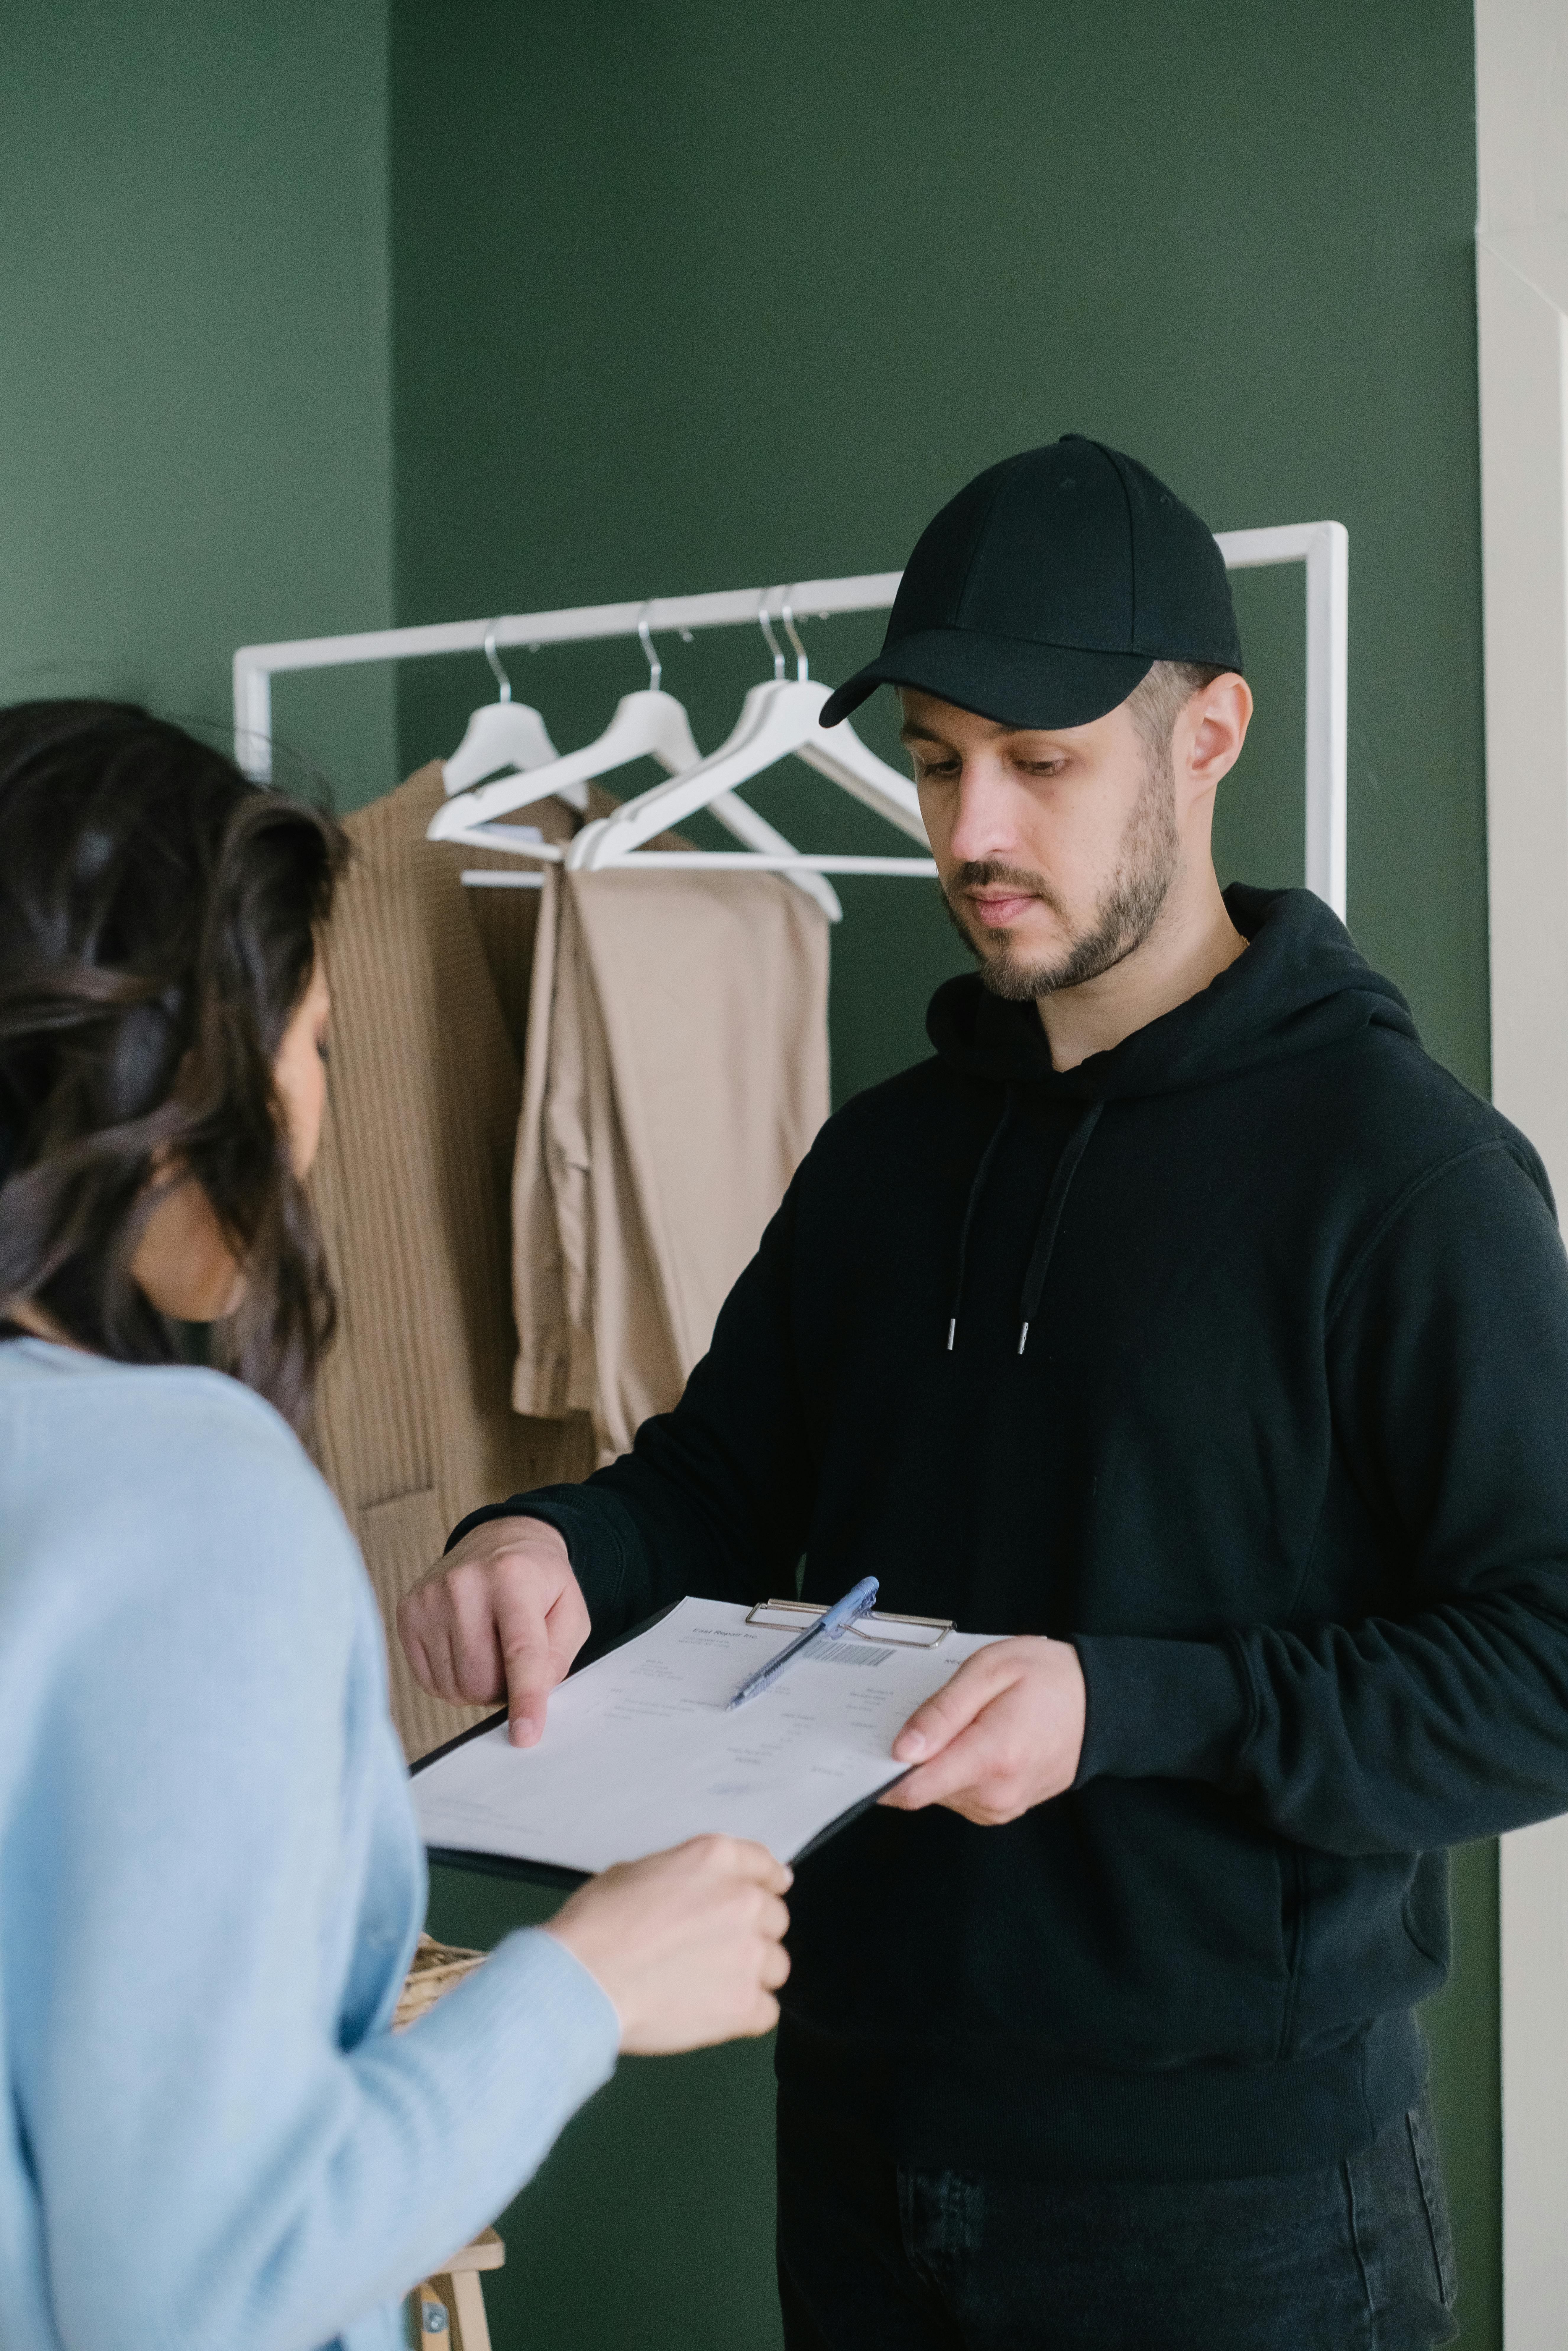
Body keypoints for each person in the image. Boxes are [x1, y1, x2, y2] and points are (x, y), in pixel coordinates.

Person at [400, 437, 1568, 2350]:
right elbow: (718, 1479)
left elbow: (1540, 1667)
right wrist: (550, 1541)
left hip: (1230, 2202)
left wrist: (1121, 1704)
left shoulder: (1405, 1177)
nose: (968, 832)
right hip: (861, 2137)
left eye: (1040, 763)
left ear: (1207, 738)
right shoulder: (883, 1159)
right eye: (938, 759)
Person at [0, 700, 791, 2351]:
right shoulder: (186, 1505)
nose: (311, 1118)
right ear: (193, 1065)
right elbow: (201, 2289)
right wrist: (584, 1985)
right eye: (318, 1046)